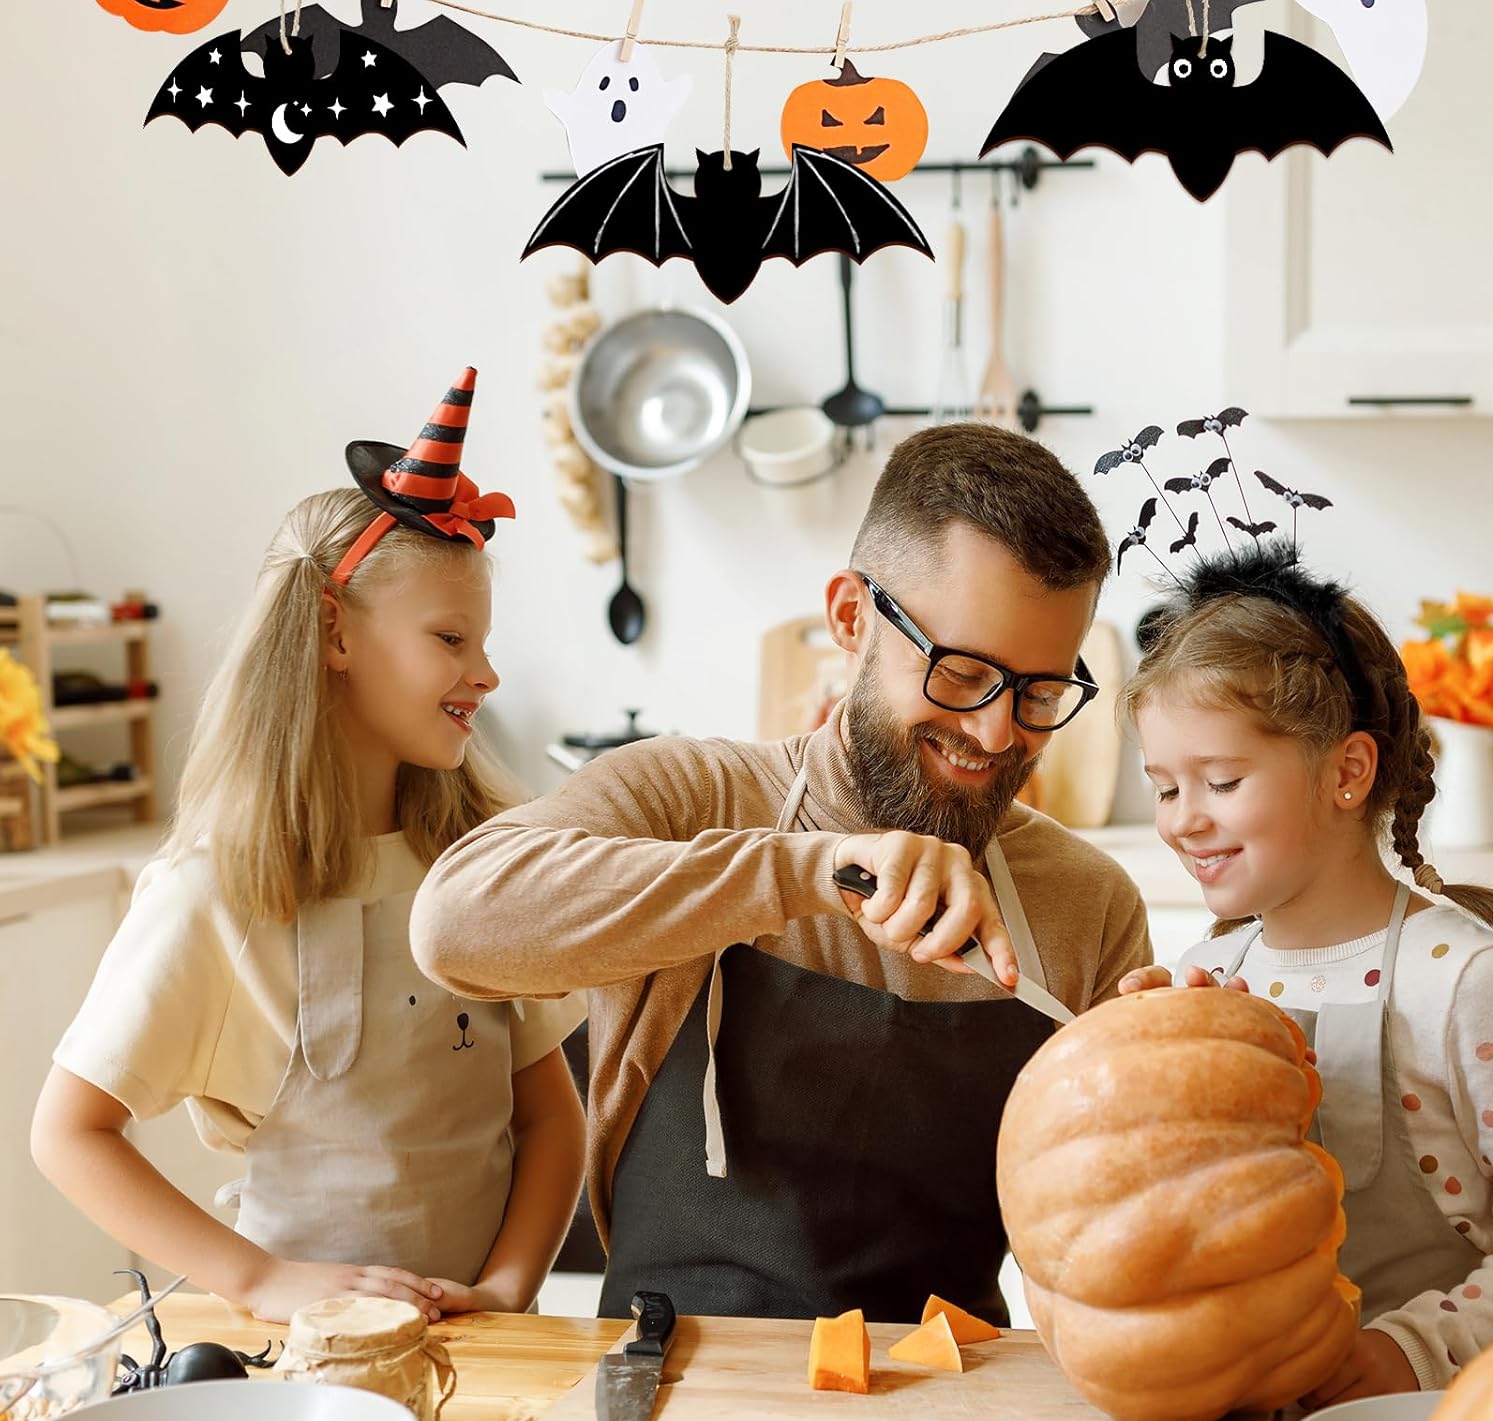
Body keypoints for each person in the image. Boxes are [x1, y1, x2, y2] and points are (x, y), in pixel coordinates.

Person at [411, 422, 1152, 1323]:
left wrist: (1180, 1076)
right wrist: (811, 872)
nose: (999, 735)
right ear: (850, 618)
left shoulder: (1087, 901)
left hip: (952, 1396)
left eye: (1039, 694)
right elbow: (455, 925)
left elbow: (1117, 1240)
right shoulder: (687, 796)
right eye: (962, 673)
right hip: (671, 1384)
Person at [32, 369, 586, 1323]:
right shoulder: (214, 892)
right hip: (310, 1372)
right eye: (451, 638)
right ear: (335, 631)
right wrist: (257, 1280)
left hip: (489, 1344)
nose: (485, 673)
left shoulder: (481, 864)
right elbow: (69, 1134)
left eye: (481, 641)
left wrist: (504, 1290)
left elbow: (548, 1119)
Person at [1117, 536, 1493, 1403]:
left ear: (1348, 773)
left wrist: (1411, 1352)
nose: (1183, 821)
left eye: (1219, 780)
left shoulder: (1463, 982)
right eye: (1166, 787)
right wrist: (1148, 1074)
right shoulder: (1208, 972)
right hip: (1256, 1414)